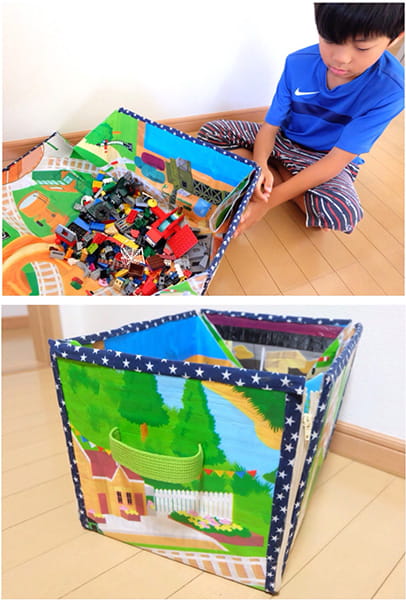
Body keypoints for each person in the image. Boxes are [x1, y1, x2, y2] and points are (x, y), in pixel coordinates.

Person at [197, 3, 404, 235]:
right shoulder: (298, 62)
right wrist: (260, 163)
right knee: (210, 131)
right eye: (330, 39)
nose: (341, 58)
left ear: (395, 37)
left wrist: (266, 202)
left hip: (324, 158)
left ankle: (275, 176)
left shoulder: (391, 89)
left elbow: (336, 160)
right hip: (282, 140)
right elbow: (270, 127)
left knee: (342, 213)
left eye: (362, 47)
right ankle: (277, 176)